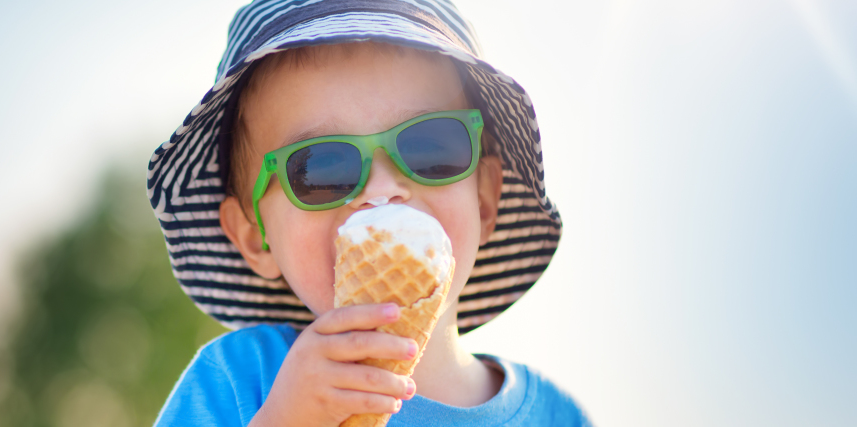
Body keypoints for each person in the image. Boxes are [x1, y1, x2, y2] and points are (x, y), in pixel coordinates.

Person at [145, 1, 588, 425]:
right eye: (320, 168)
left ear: (485, 201)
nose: (382, 191)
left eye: (430, 148)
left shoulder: (557, 416)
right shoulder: (237, 380)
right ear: (254, 237)